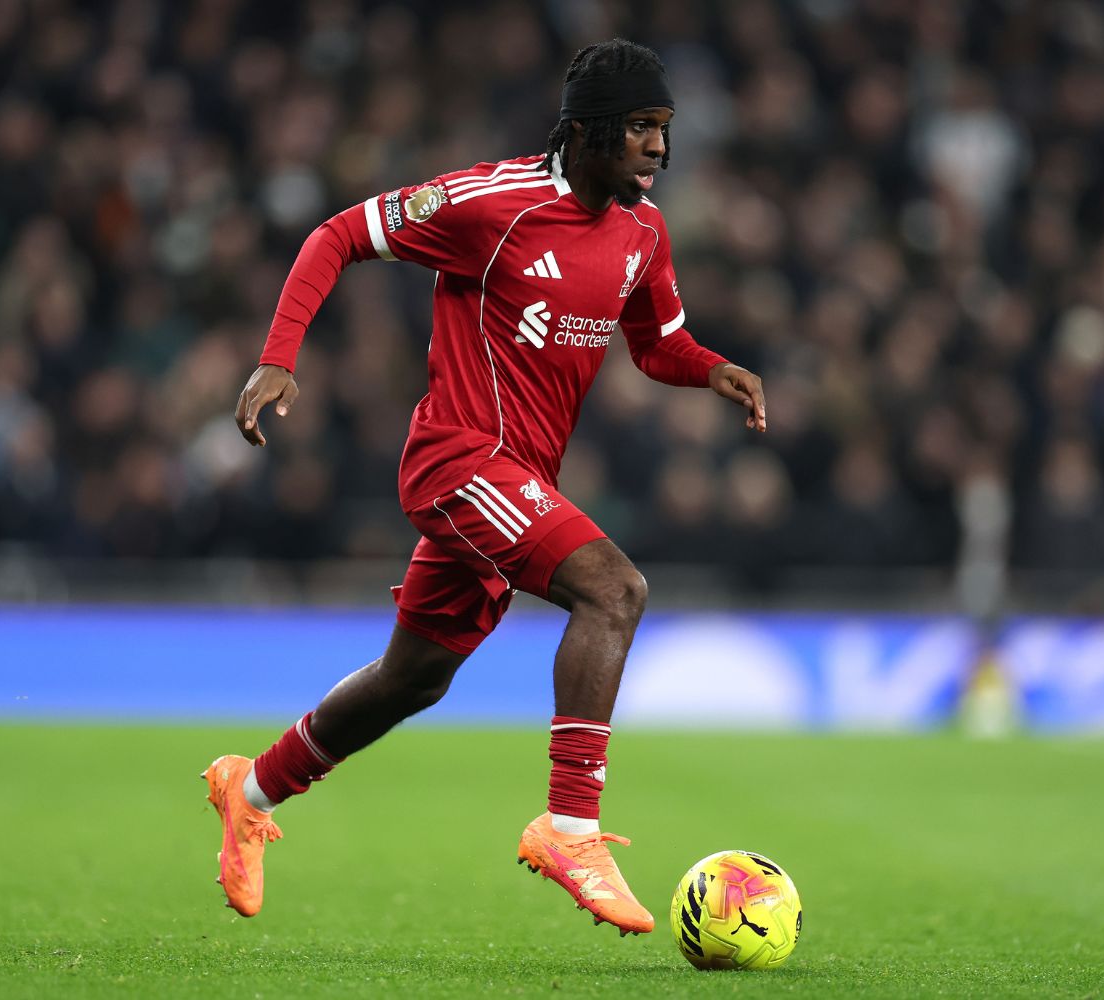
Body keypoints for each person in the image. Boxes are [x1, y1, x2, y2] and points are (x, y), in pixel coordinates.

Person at [204, 38, 766, 935]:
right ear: (586, 133)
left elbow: (656, 345)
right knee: (615, 591)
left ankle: (253, 786)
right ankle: (570, 827)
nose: (660, 148)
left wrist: (714, 371)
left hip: (518, 480)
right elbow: (338, 234)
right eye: (642, 129)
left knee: (412, 678)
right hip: (458, 460)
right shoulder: (487, 203)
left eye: (665, 129)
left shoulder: (643, 234)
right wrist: (277, 360)